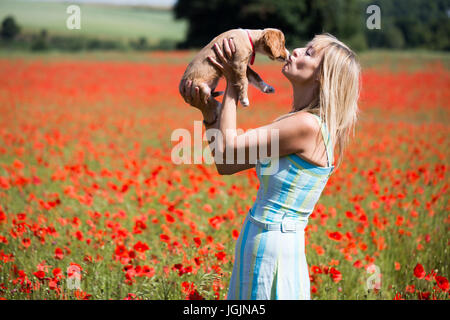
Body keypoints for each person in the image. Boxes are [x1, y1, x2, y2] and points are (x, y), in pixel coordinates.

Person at [179, 33, 361, 300]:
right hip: (267, 240)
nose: (296, 51)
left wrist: (235, 78)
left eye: (310, 53)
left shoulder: (306, 126)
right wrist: (209, 112)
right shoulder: (303, 122)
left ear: (322, 77)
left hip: (271, 245)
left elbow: (229, 150)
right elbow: (227, 164)